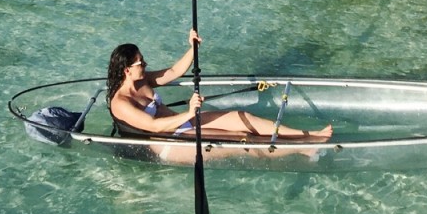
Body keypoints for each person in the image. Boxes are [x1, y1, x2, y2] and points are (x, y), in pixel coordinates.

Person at [107, 29, 333, 140]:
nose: (145, 64)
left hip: (183, 123)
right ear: (127, 70)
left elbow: (175, 71)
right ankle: (304, 148)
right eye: (140, 62)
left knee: (240, 117)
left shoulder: (143, 79)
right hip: (167, 137)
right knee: (241, 138)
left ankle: (308, 135)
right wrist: (188, 112)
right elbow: (156, 127)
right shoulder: (121, 103)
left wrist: (192, 48)